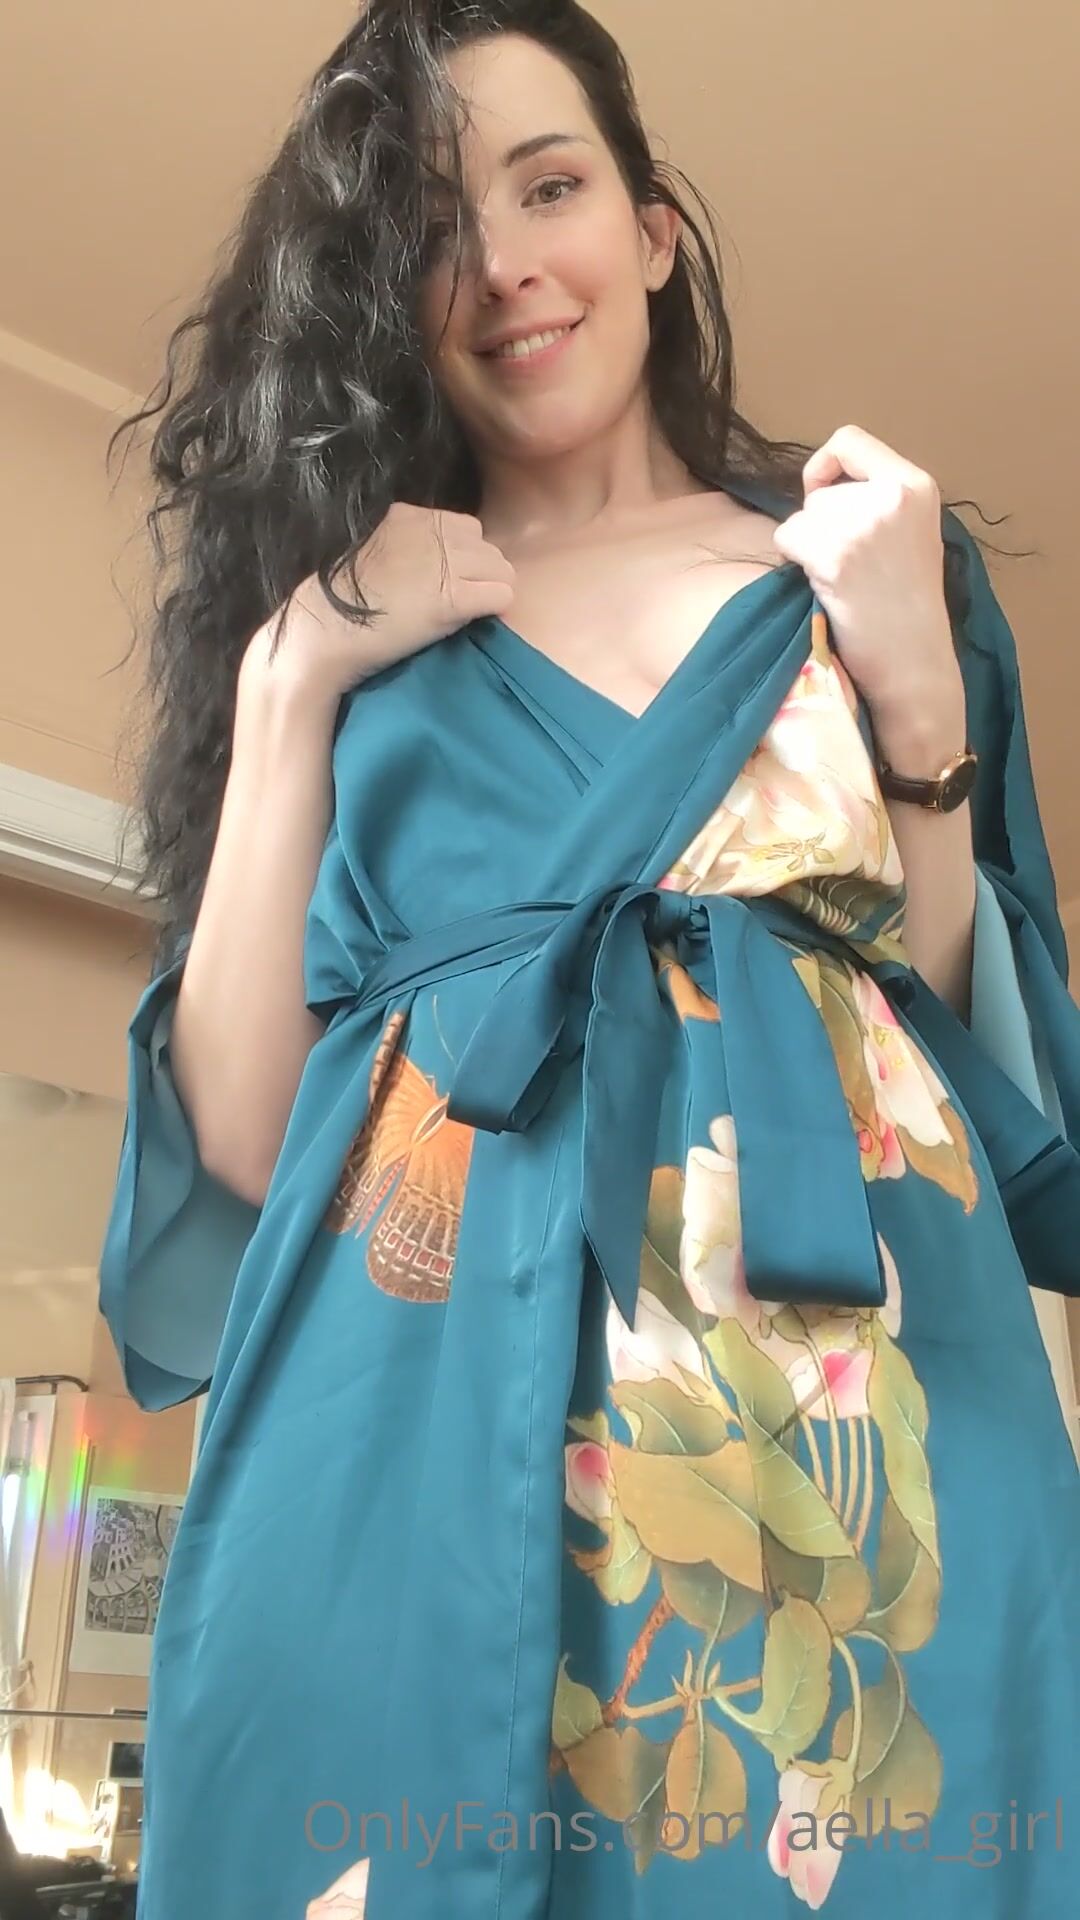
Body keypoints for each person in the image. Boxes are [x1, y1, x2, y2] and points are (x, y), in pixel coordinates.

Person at [97, 2, 1080, 1915]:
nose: (503, 266)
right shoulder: (349, 636)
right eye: (432, 232)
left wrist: (917, 704)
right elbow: (241, 1150)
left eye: (549, 188)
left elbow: (960, 1057)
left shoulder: (864, 564)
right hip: (414, 1422)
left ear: (653, 230)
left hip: (844, 1416)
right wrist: (288, 685)